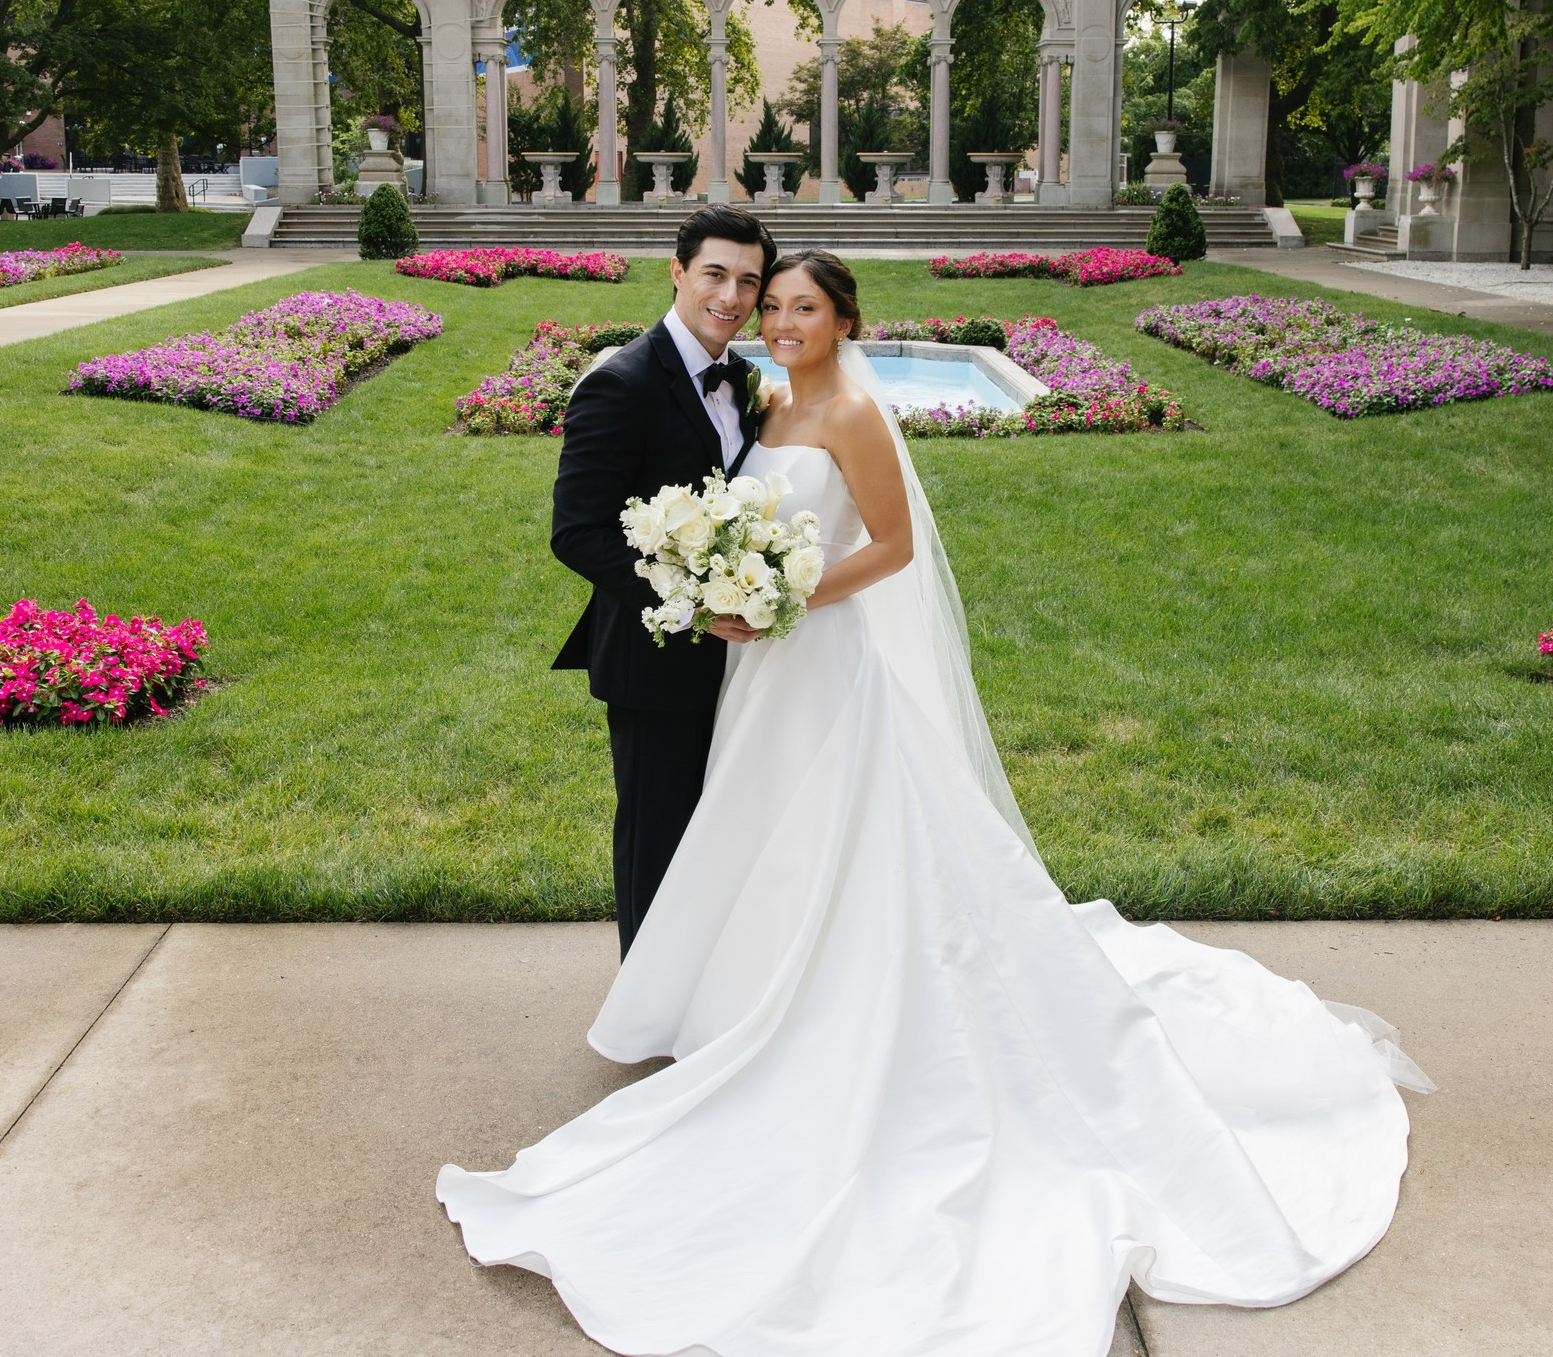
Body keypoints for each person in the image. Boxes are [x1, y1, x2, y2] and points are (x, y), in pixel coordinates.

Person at [446, 250, 1430, 1356]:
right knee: (762, 838)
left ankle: (851, 1013)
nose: (777, 319)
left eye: (799, 307)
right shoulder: (766, 400)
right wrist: (739, 589)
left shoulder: (859, 411)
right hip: (763, 671)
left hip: (823, 662)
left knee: (855, 843)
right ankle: (747, 1001)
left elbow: (895, 545)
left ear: (844, 316)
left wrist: (788, 593)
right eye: (769, 304)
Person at [549, 205, 776, 954]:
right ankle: (648, 1013)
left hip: (746, 659)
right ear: (678, 272)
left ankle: (708, 987)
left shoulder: (744, 379)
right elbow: (577, 532)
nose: (732, 296)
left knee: (724, 832)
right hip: (655, 657)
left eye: (749, 280)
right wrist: (691, 609)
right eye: (715, 274)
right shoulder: (621, 382)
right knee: (658, 839)